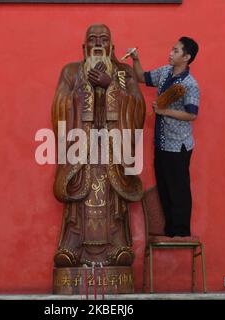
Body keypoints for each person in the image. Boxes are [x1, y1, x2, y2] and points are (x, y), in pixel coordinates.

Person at [51, 24, 145, 267]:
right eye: (92, 39)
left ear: (111, 46)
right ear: (84, 47)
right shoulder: (71, 72)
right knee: (79, 199)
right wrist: (84, 89)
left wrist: (110, 85)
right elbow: (60, 106)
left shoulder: (124, 73)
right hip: (82, 147)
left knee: (113, 202)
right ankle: (72, 247)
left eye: (104, 39)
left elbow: (137, 107)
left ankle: (118, 247)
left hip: (113, 148)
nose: (98, 44)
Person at [128, 37, 200, 237]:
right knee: (165, 188)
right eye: (172, 49)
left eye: (176, 51)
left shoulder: (189, 84)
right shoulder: (165, 72)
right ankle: (170, 232)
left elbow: (192, 114)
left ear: (186, 57)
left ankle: (181, 232)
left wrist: (164, 111)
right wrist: (135, 58)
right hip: (161, 143)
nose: (171, 52)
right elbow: (142, 77)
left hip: (178, 145)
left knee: (179, 190)